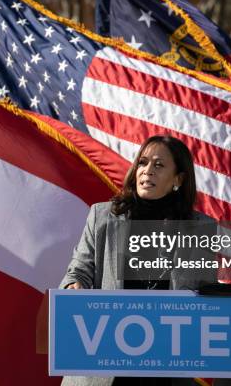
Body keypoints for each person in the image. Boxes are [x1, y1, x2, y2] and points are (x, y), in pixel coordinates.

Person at [60, 135, 217, 386]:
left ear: (179, 179)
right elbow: (78, 271)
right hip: (103, 370)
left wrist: (228, 300)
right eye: (143, 163)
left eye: (159, 165)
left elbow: (207, 292)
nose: (147, 171)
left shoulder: (201, 229)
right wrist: (73, 287)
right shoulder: (102, 216)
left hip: (165, 372)